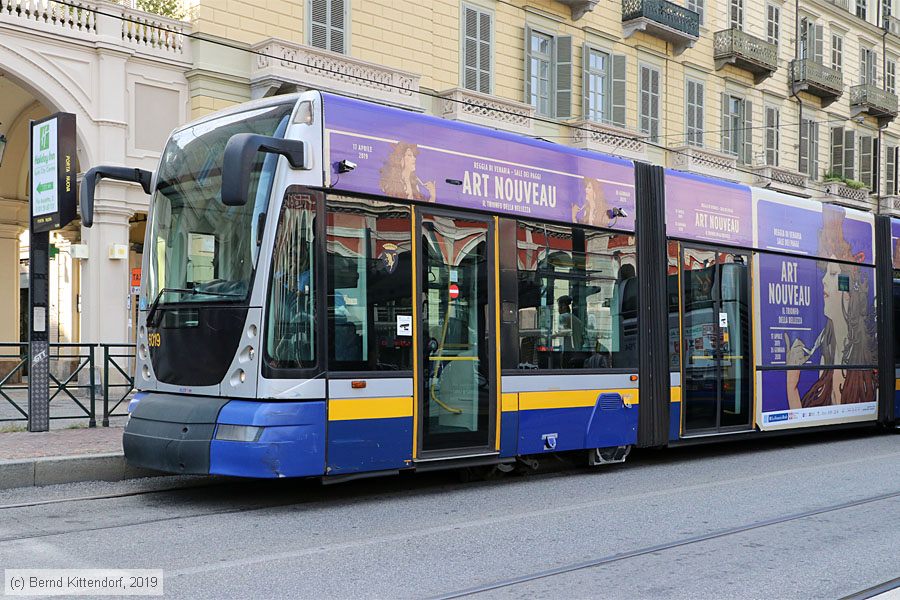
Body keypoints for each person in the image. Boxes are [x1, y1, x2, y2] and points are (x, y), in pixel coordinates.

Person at [784, 206, 877, 409]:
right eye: (826, 273)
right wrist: (792, 384)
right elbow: (808, 417)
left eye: (833, 274)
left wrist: (792, 385)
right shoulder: (829, 354)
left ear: (847, 292)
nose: (824, 280)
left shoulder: (859, 365)